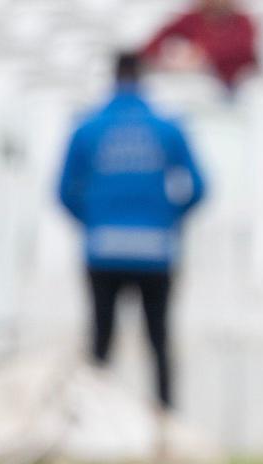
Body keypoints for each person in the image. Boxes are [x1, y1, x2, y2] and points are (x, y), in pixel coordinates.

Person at [58, 52, 206, 430]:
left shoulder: (87, 126)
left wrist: (93, 222)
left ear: (113, 76)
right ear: (141, 77)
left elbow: (63, 191)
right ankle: (166, 426)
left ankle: (91, 427)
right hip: (156, 250)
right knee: (157, 340)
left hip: (102, 248)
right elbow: (199, 187)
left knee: (101, 342)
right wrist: (167, 220)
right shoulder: (167, 127)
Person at [141, 0, 257, 89]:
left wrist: (203, 54)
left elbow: (244, 52)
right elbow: (154, 42)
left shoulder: (243, 22)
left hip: (236, 84)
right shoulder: (192, 19)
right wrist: (168, 59)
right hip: (198, 83)